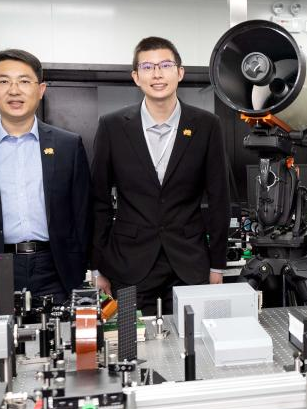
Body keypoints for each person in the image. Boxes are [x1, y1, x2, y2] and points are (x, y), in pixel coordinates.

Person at [0, 49, 91, 309]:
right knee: (3, 344)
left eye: (24, 81)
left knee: (56, 340)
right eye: (4, 81)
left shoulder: (68, 145)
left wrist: (78, 261)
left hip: (54, 266)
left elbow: (83, 212)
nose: (14, 90)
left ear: (41, 89)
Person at [92, 36, 230, 315]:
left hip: (189, 263)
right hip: (129, 263)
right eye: (147, 67)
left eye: (165, 65)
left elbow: (219, 199)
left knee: (192, 344)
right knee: (131, 345)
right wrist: (97, 266)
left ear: (180, 72)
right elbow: (98, 201)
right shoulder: (112, 126)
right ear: (136, 77)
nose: (157, 74)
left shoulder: (206, 125)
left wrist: (217, 264)